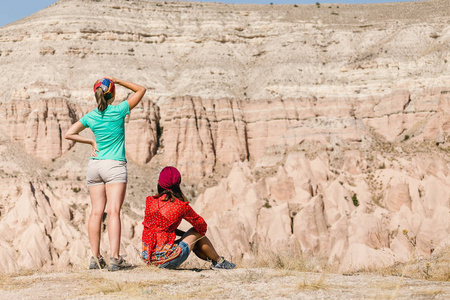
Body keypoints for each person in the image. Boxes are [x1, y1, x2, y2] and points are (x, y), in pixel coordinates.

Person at [65, 77, 146, 271]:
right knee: (114, 211)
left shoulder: (91, 116)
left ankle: (95, 257)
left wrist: (91, 143)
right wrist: (118, 80)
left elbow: (69, 134)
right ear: (113, 94)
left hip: (95, 166)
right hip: (114, 166)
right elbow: (141, 90)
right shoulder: (118, 111)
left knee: (95, 212)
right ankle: (115, 259)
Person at [142, 166, 236, 270]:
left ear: (159, 183)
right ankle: (219, 261)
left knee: (194, 238)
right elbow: (202, 227)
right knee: (196, 232)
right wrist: (189, 236)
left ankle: (217, 262)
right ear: (178, 184)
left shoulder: (150, 201)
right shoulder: (181, 206)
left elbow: (162, 228)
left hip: (148, 258)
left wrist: (184, 235)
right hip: (167, 260)